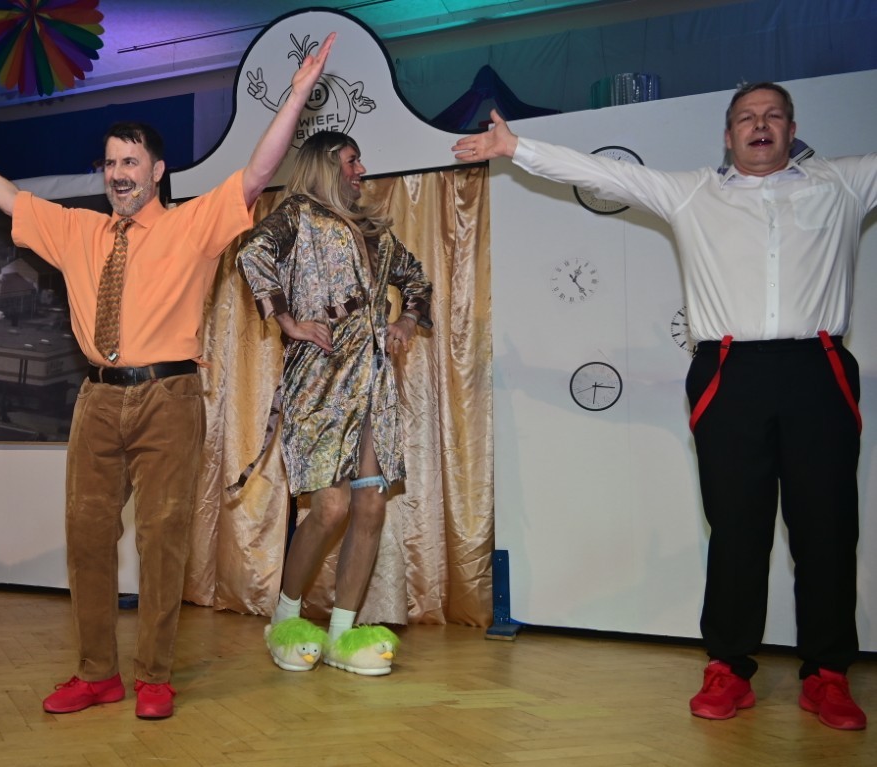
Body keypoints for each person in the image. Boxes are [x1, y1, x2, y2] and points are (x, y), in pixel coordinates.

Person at [0, 35, 336, 719]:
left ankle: (155, 676)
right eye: (110, 163)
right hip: (97, 401)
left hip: (170, 397)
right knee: (86, 538)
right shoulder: (77, 231)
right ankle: (96, 674)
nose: (118, 173)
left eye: (130, 162)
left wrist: (295, 97)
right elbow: (12, 200)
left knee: (163, 539)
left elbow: (256, 174)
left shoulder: (191, 226)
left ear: (157, 171)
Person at [452, 83, 875, 731]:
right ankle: (729, 666)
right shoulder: (693, 192)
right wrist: (517, 148)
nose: (759, 125)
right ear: (728, 136)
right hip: (729, 371)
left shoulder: (843, 183)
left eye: (772, 116)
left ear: (792, 130)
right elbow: (605, 174)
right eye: (746, 118)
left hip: (818, 369)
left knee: (828, 529)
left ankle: (828, 674)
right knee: (736, 527)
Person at [236, 130, 432, 677]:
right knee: (330, 508)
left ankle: (342, 636)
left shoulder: (377, 234)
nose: (360, 170)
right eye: (351, 160)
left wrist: (406, 321)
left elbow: (417, 281)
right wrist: (289, 321)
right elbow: (252, 253)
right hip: (320, 381)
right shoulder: (297, 215)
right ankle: (285, 620)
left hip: (373, 382)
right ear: (325, 165)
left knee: (370, 507)